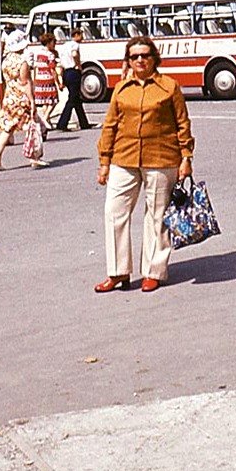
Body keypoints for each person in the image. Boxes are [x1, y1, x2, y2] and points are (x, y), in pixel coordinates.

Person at [94, 35, 195, 294]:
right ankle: (118, 272)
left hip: (161, 158)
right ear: (128, 61)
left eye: (145, 55)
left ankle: (153, 271)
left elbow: (182, 123)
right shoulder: (121, 88)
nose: (140, 60)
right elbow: (110, 125)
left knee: (157, 215)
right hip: (123, 157)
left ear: (154, 58)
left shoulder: (169, 87)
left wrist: (186, 157)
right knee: (114, 211)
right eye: (134, 56)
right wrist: (104, 161)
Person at [0, 29, 36, 171]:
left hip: (9, 97)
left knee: (8, 128)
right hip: (21, 98)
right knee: (31, 126)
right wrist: (32, 100)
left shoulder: (5, 61)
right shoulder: (22, 62)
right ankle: (34, 156)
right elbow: (25, 82)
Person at [55, 28, 92, 131]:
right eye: (81, 35)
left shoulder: (64, 46)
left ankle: (84, 123)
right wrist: (78, 64)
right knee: (72, 99)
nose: (82, 38)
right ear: (76, 35)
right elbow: (74, 54)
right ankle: (62, 123)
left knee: (76, 99)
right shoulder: (74, 45)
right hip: (73, 72)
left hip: (66, 72)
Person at [30, 32, 61, 134]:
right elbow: (52, 70)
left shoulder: (38, 53)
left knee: (44, 102)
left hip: (39, 79)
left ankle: (47, 122)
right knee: (53, 100)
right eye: (53, 42)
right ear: (48, 43)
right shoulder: (50, 55)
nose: (55, 44)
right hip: (48, 79)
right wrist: (58, 82)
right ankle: (45, 118)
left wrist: (35, 80)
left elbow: (35, 68)